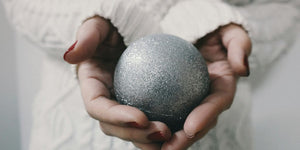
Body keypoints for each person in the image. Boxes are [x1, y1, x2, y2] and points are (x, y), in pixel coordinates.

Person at [2, 0, 299, 149]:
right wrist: (97, 15)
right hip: (72, 133)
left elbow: (287, 8)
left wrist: (213, 20)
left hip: (217, 131)